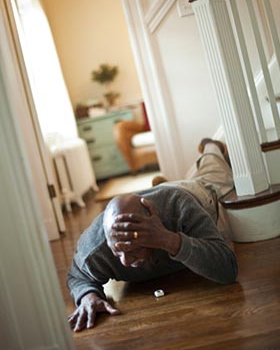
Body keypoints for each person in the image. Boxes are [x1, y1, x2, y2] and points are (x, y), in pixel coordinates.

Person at [67, 138, 238, 332]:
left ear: (154, 227)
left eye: (135, 249)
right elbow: (76, 276)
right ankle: (163, 185)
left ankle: (212, 147)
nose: (125, 261)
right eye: (118, 251)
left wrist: (168, 239)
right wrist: (87, 295)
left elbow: (228, 270)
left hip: (194, 195)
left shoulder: (180, 208)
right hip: (162, 196)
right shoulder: (96, 246)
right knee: (186, 181)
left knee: (215, 176)